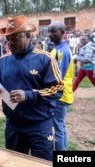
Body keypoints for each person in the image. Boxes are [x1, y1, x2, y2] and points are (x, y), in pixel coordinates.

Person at [0, 15, 64, 161]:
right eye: (8, 39)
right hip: (13, 126)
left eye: (15, 37)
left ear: (28, 36)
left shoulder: (45, 58)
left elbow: (58, 89)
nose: (10, 42)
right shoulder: (3, 61)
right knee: (13, 163)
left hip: (39, 127)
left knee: (42, 164)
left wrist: (29, 95)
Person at [48, 21, 74, 151]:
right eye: (49, 31)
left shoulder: (63, 51)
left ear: (63, 33)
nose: (50, 34)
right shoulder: (56, 49)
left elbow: (58, 77)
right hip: (60, 93)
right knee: (60, 125)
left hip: (61, 94)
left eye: (54, 31)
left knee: (57, 126)